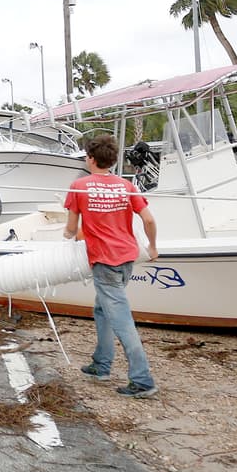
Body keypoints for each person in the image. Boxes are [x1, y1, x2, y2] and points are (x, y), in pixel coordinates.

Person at [64, 134, 160, 398]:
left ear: (91, 159)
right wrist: (152, 247)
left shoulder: (79, 186)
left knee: (121, 320)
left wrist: (66, 234)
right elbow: (149, 220)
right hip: (127, 258)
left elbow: (72, 230)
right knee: (102, 309)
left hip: (104, 262)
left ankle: (142, 379)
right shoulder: (126, 186)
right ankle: (101, 365)